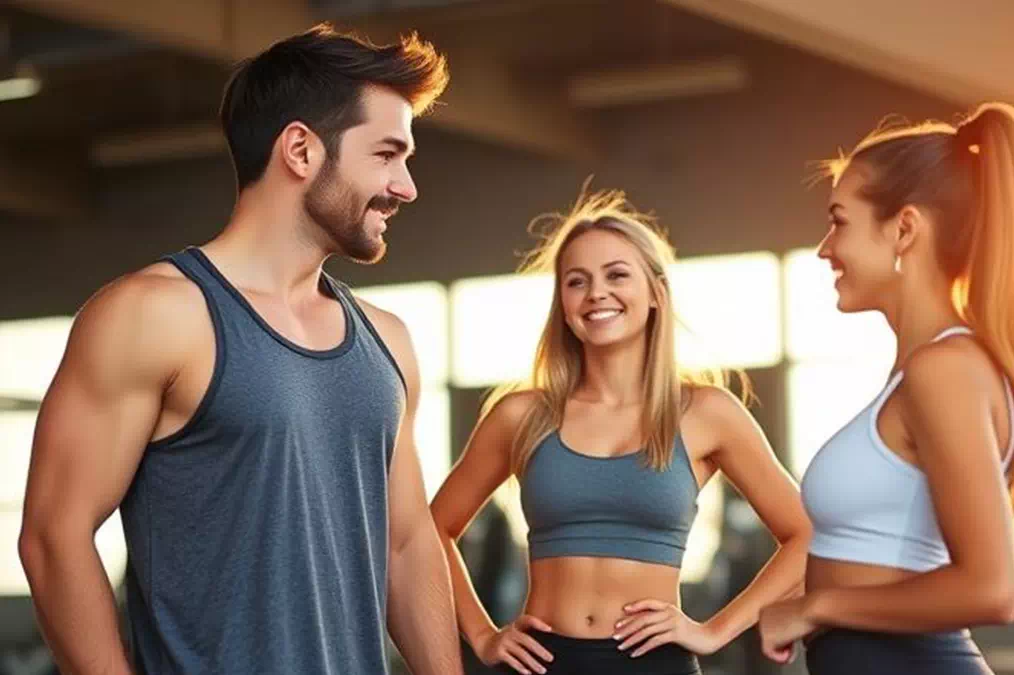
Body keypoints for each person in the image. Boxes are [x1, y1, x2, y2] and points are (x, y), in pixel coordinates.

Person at [18, 25, 463, 675]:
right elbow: (53, 536)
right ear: (301, 150)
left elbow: (405, 542)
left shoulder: (387, 339)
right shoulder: (154, 315)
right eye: (388, 154)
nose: (406, 186)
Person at [757, 102, 1014, 673]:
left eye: (839, 220)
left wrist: (819, 605)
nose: (824, 247)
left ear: (904, 228)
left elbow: (993, 589)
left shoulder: (945, 371)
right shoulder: (925, 370)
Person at [430, 189, 811, 674]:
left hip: (654, 665)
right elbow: (431, 531)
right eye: (576, 281)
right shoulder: (521, 414)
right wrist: (483, 636)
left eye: (616, 275)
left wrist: (714, 630)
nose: (596, 294)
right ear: (562, 303)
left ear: (655, 292)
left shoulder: (706, 412)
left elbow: (806, 534)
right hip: (542, 665)